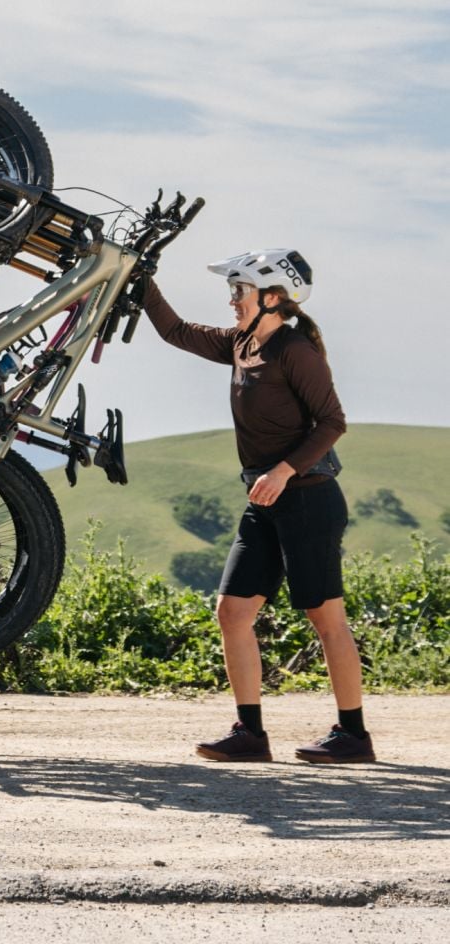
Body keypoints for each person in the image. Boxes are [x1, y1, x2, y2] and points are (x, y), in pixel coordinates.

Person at [144, 248, 374, 764]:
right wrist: (140, 278)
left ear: (274, 298)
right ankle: (250, 734)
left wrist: (284, 470)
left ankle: (354, 736)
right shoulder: (241, 343)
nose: (232, 301)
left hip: (309, 499)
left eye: (239, 291)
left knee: (325, 617)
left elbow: (333, 422)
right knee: (233, 612)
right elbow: (175, 331)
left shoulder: (295, 351)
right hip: (263, 502)